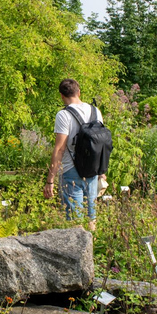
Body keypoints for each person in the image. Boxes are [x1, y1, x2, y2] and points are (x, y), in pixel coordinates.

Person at [43, 78, 106, 231]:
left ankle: (77, 252)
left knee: (75, 221)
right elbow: (101, 142)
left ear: (61, 96)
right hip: (92, 169)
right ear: (79, 92)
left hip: (71, 170)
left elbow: (60, 149)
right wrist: (102, 173)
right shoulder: (95, 111)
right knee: (92, 216)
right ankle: (93, 248)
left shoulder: (63, 115)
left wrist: (50, 180)